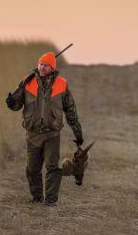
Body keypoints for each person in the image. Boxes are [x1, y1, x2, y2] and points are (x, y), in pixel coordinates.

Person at [5, 51, 83, 206]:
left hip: (52, 134)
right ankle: (37, 197)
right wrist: (11, 102)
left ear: (52, 67)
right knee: (32, 169)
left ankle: (50, 201)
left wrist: (77, 132)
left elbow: (71, 110)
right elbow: (17, 105)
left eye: (46, 65)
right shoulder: (27, 82)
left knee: (53, 167)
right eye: (40, 64)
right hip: (32, 134)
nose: (42, 67)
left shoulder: (62, 84)